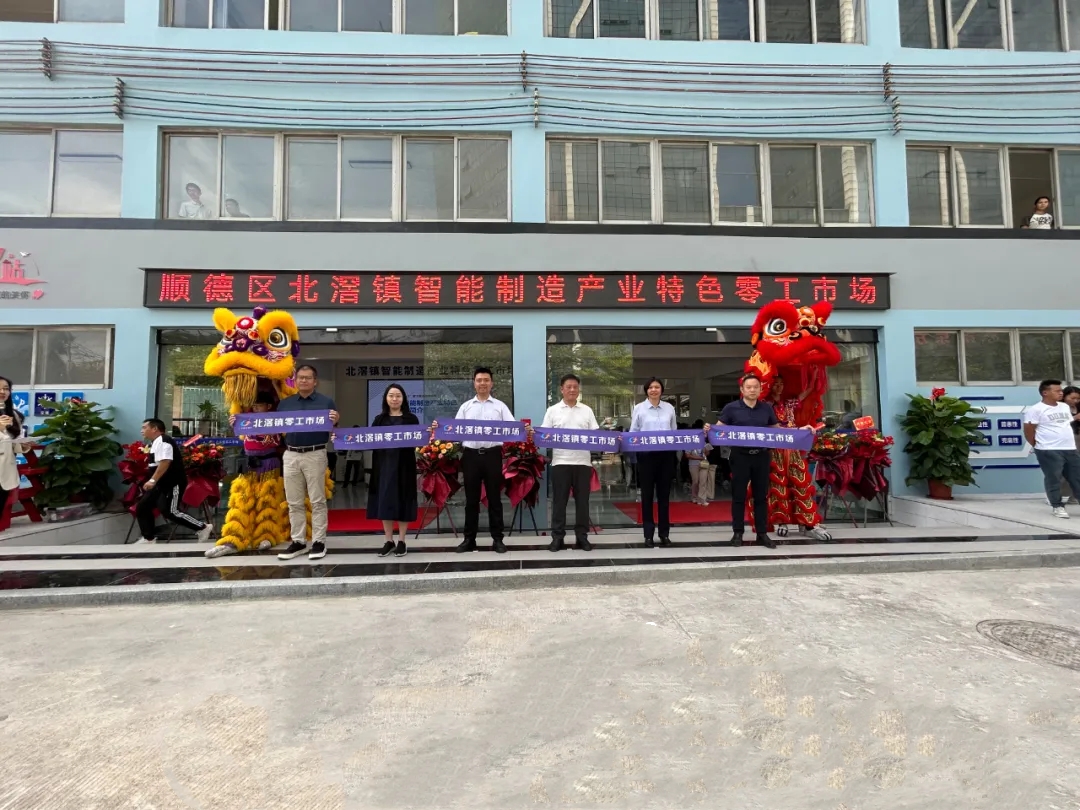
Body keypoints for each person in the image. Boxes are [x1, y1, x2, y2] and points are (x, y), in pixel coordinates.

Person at [435, 367, 519, 554]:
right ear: (474, 383)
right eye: (479, 380)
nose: (483, 383)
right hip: (471, 456)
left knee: (494, 499)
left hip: (492, 455)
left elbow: (513, 428)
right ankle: (469, 539)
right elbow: (455, 431)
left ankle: (497, 539)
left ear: (491, 383)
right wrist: (439, 429)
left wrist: (524, 430)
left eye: (486, 380)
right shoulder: (466, 407)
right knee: (471, 500)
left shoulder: (500, 407)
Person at [276, 364, 339, 560]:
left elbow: (334, 429)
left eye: (308, 377)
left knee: (317, 500)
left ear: (315, 381)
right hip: (291, 455)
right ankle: (298, 542)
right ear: (295, 380)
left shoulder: (326, 402)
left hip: (315, 453)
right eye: (300, 377)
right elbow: (272, 427)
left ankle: (319, 542)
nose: (303, 380)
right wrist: (241, 423)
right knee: (294, 501)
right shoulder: (285, 404)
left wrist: (336, 420)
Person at [717, 375, 787, 549]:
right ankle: (737, 533)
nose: (752, 390)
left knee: (761, 497)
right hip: (740, 456)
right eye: (748, 387)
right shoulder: (731, 408)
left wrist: (802, 431)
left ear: (760, 389)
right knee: (739, 496)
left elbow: (776, 430)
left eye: (756, 387)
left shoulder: (766, 408)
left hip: (761, 456)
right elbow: (718, 428)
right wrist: (708, 429)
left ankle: (762, 534)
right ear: (742, 390)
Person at [541, 373, 599, 552]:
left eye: (575, 387)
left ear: (578, 389)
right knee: (559, 502)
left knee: (583, 503)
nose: (572, 390)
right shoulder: (552, 411)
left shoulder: (587, 410)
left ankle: (582, 537)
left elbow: (596, 435)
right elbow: (544, 435)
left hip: (583, 463)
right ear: (562, 389)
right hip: (561, 463)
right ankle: (557, 537)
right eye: (569, 387)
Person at [135, 419, 214, 544]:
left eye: (145, 427)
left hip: (172, 482)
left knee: (171, 511)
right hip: (160, 484)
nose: (142, 430)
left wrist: (152, 480)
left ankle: (202, 527)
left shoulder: (163, 441)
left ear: (155, 429)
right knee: (143, 507)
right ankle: (148, 538)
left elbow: (165, 462)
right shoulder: (155, 442)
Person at [367, 384, 419, 557]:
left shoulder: (411, 419)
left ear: (403, 398)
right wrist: (342, 439)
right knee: (385, 500)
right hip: (384, 466)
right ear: (386, 399)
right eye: (391, 395)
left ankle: (402, 540)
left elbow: (418, 439)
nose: (394, 399)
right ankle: (388, 540)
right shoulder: (379, 420)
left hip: (404, 466)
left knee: (404, 499)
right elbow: (368, 440)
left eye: (398, 396)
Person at [629, 377, 677, 548]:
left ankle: (664, 534)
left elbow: (674, 431)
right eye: (650, 387)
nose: (654, 390)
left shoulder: (669, 408)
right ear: (646, 390)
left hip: (665, 457)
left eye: (657, 387)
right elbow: (633, 431)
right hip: (646, 457)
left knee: (664, 497)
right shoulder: (639, 408)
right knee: (647, 496)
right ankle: (648, 535)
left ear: (661, 390)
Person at [1023, 379, 1080, 519]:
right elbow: (1029, 429)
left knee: (1076, 477)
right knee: (1054, 478)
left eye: (1061, 390)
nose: (1061, 393)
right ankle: (1057, 506)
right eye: (1057, 391)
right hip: (1048, 449)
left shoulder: (1064, 407)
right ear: (1045, 393)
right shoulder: (1036, 409)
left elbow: (1064, 424)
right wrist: (1037, 445)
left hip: (1070, 448)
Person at [0, 376, 26, 529]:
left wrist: (24, 445)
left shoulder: (13, 414)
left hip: (5, 471)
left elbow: (12, 442)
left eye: (6, 389)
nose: (2, 392)